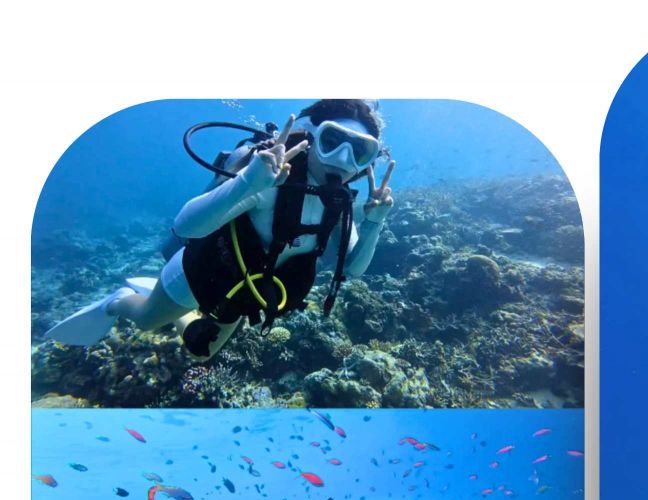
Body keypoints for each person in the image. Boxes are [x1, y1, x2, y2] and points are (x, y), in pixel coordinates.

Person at [45, 99, 397, 359]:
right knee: (146, 321)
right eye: (332, 142)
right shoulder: (268, 176)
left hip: (246, 289)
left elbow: (352, 268)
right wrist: (247, 184)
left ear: (369, 162)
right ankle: (118, 301)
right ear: (312, 135)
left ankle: (183, 313)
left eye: (360, 151)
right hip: (203, 269)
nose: (342, 159)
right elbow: (185, 226)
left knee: (202, 353)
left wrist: (374, 223)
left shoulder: (339, 204)